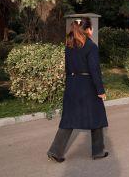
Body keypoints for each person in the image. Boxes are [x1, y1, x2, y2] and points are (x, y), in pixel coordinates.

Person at [47, 18, 108, 162]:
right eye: (91, 28)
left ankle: (55, 151)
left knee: (69, 118)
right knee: (97, 116)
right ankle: (98, 152)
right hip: (87, 85)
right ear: (87, 30)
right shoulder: (91, 46)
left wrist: (70, 84)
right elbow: (94, 70)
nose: (92, 31)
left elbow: (67, 68)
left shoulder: (69, 45)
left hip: (72, 84)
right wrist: (100, 90)